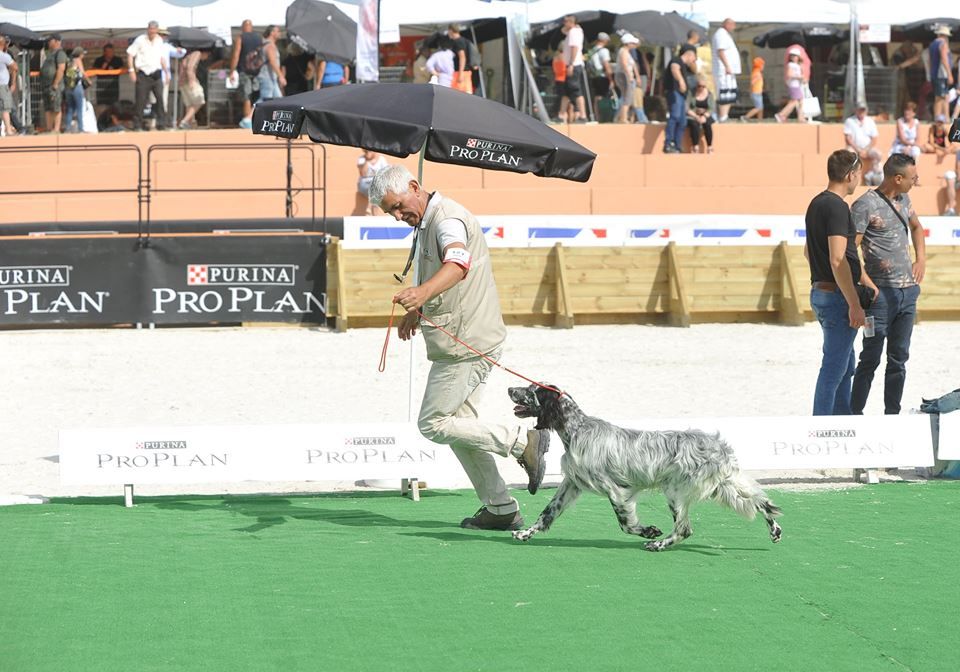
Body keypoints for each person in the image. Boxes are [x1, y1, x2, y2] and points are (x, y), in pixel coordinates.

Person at [370, 164, 550, 531]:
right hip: (466, 336)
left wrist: (420, 292)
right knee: (460, 427)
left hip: (465, 342)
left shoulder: (447, 219)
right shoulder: (428, 220)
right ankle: (500, 508)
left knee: (434, 423)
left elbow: (458, 262)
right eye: (390, 211)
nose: (397, 215)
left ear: (415, 187)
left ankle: (522, 442)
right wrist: (419, 310)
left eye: (399, 206)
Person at [850, 154, 926, 415]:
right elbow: (850, 251)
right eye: (913, 178)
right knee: (869, 358)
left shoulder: (905, 199)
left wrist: (921, 259)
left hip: (907, 295)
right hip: (879, 298)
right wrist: (868, 285)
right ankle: (855, 414)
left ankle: (891, 415)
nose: (916, 181)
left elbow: (917, 228)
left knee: (898, 360)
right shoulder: (864, 205)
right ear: (897, 178)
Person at [805, 149, 868, 415]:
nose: (859, 181)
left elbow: (808, 252)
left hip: (821, 292)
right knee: (833, 368)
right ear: (850, 174)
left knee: (844, 364)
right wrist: (854, 302)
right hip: (837, 297)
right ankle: (822, 429)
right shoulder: (837, 206)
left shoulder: (816, 203)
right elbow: (838, 259)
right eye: (859, 175)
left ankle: (844, 421)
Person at [127, 21, 169, 131]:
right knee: (141, 100)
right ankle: (137, 125)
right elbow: (130, 54)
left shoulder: (159, 40)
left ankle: (162, 124)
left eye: (155, 30)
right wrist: (131, 70)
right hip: (143, 73)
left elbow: (161, 57)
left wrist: (166, 72)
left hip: (156, 73)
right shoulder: (140, 40)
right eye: (151, 29)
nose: (153, 32)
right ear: (148, 29)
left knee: (160, 99)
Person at [229, 19, 262, 129]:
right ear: (251, 27)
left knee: (246, 96)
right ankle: (255, 119)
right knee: (256, 96)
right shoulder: (259, 38)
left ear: (243, 27)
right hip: (257, 71)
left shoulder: (241, 37)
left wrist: (232, 71)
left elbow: (236, 55)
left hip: (244, 71)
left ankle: (248, 121)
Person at [663, 44, 696, 153]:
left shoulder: (685, 66)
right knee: (675, 115)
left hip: (682, 95)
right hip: (674, 91)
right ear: (689, 54)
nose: (694, 60)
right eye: (693, 57)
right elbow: (674, 69)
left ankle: (677, 145)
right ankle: (669, 142)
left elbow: (695, 70)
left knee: (682, 121)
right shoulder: (676, 60)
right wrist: (681, 81)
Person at [844, 103, 882, 186]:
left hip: (867, 148)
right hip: (855, 147)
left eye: (863, 110)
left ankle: (872, 176)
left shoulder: (870, 121)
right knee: (848, 153)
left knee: (878, 154)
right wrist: (858, 150)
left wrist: (866, 150)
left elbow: (874, 138)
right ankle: (849, 177)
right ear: (855, 110)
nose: (861, 112)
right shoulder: (849, 121)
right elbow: (848, 138)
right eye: (860, 110)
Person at [559, 14, 587, 123]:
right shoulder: (575, 31)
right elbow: (563, 31)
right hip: (572, 64)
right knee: (566, 91)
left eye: (565, 22)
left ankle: (583, 115)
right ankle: (561, 114)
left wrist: (571, 64)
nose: (564, 24)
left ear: (571, 22)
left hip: (573, 65)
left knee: (576, 90)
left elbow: (574, 48)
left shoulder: (573, 32)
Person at [711, 18, 740, 122]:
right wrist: (727, 66)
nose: (734, 27)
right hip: (723, 70)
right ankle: (722, 116)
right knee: (724, 93)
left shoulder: (725, 34)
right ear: (727, 24)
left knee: (730, 93)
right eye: (733, 24)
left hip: (728, 70)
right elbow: (721, 51)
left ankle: (724, 115)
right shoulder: (720, 34)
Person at [40, 34, 67, 133]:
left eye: (50, 41)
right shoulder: (50, 54)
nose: (48, 42)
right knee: (48, 107)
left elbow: (61, 68)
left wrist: (55, 83)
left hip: (55, 86)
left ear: (57, 41)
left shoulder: (60, 54)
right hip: (47, 85)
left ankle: (56, 129)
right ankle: (49, 128)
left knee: (55, 107)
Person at [178, 49, 209, 129]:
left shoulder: (188, 55)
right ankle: (184, 121)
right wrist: (192, 81)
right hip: (190, 81)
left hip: (182, 81)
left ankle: (189, 123)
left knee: (190, 103)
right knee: (199, 101)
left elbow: (183, 66)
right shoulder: (197, 53)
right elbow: (190, 68)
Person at [775, 47, 806, 124]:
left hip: (796, 85)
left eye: (795, 56)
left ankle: (799, 117)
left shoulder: (796, 65)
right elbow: (789, 74)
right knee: (795, 101)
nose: (794, 57)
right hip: (794, 85)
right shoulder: (791, 65)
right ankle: (781, 114)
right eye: (792, 56)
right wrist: (800, 77)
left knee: (798, 101)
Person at [587, 32, 613, 122]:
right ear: (605, 41)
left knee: (597, 97)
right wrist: (611, 79)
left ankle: (597, 117)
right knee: (604, 97)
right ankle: (604, 117)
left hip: (594, 76)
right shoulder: (604, 51)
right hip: (602, 76)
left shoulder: (592, 51)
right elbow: (606, 65)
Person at [613, 34, 639, 124]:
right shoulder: (623, 51)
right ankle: (623, 118)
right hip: (624, 76)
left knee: (626, 97)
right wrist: (629, 76)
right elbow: (624, 64)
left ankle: (619, 117)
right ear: (628, 43)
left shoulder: (626, 51)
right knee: (627, 97)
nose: (634, 45)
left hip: (623, 75)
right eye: (632, 43)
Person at [929, 25, 954, 120]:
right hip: (941, 74)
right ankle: (938, 118)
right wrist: (949, 74)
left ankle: (946, 118)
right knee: (940, 97)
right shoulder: (943, 44)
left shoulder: (932, 44)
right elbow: (944, 59)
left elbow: (930, 60)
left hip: (935, 73)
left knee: (945, 96)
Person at [92, 43, 123, 115]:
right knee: (102, 105)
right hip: (101, 86)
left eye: (111, 52)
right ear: (104, 52)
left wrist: (114, 70)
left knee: (113, 105)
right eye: (108, 52)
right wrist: (102, 68)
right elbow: (93, 69)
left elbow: (122, 68)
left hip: (113, 86)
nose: (110, 54)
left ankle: (113, 118)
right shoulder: (99, 60)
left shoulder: (117, 59)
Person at [686, 78, 715, 153]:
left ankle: (710, 146)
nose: (701, 88)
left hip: (705, 115)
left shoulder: (709, 94)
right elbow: (687, 107)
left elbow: (711, 108)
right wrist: (696, 116)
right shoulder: (691, 93)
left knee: (707, 124)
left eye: (703, 86)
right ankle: (695, 146)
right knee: (694, 124)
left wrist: (704, 116)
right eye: (699, 86)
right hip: (693, 115)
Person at [356, 148, 388, 215]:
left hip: (377, 184)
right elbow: (363, 174)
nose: (368, 152)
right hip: (364, 184)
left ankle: (371, 210)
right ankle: (374, 212)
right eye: (366, 151)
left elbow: (385, 173)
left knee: (375, 189)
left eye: (370, 150)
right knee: (375, 191)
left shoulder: (381, 159)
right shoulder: (361, 159)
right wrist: (367, 161)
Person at [257, 25, 285, 100]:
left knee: (278, 100)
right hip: (267, 77)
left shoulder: (266, 44)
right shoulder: (270, 46)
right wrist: (281, 76)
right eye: (278, 31)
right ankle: (252, 112)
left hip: (271, 77)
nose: (280, 33)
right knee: (264, 101)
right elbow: (272, 62)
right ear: (272, 33)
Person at [63, 47, 87, 133]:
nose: (83, 55)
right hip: (77, 87)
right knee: (79, 108)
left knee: (70, 109)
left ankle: (68, 128)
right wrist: (88, 81)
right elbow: (83, 72)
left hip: (68, 87)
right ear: (80, 54)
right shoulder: (78, 61)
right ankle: (81, 129)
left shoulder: (68, 61)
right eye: (83, 54)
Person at [446, 24, 472, 94]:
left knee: (457, 96)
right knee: (466, 95)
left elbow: (462, 57)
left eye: (448, 31)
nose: (448, 33)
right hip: (465, 72)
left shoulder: (458, 41)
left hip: (459, 73)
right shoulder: (464, 40)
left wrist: (460, 74)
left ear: (451, 30)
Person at [0, 35, 18, 135]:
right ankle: (8, 129)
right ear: (4, 45)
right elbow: (15, 67)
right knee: (5, 108)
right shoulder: (4, 56)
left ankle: (7, 128)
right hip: (2, 85)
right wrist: (13, 81)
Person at [742, 56, 764, 120]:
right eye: (762, 65)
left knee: (761, 107)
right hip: (756, 93)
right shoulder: (757, 73)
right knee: (758, 107)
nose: (763, 67)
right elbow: (752, 82)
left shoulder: (755, 72)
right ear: (760, 65)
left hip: (757, 92)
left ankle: (760, 120)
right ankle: (746, 117)